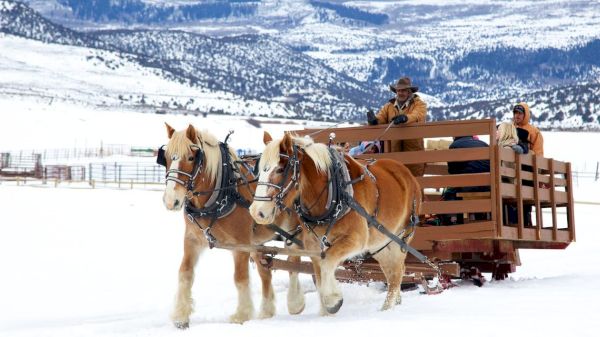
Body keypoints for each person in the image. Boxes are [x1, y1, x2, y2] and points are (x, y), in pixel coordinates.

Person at [366, 76, 427, 177]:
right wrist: (374, 121)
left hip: (413, 150)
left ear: (409, 92)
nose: (400, 93)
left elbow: (417, 115)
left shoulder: (419, 104)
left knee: (415, 181)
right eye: (398, 90)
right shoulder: (389, 106)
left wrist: (405, 118)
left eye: (403, 90)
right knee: (396, 181)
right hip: (394, 151)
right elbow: (381, 118)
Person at [442, 136, 491, 224]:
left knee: (450, 193)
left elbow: (452, 170)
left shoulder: (455, 145)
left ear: (455, 136)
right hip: (488, 185)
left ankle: (452, 221)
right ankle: (476, 218)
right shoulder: (484, 144)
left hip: (469, 186)